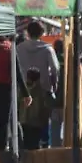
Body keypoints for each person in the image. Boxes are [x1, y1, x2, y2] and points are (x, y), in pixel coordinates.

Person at [18, 20, 61, 148]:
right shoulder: (48, 49)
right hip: (42, 91)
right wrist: (54, 86)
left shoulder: (19, 49)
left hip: (23, 90)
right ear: (42, 33)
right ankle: (39, 146)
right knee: (41, 122)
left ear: (27, 32)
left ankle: (25, 149)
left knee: (24, 121)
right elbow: (55, 70)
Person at [20, 68, 56, 150]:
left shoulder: (21, 91)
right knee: (34, 148)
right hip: (36, 125)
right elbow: (46, 111)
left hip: (23, 122)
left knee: (24, 148)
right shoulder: (43, 93)